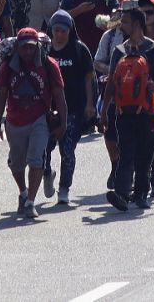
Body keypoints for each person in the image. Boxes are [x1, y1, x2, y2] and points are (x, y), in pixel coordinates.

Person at [0, 27, 66, 219]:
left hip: (39, 118)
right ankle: (23, 193)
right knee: (16, 164)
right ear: (18, 48)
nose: (28, 52)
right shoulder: (8, 67)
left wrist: (63, 124)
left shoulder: (49, 65)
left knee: (36, 159)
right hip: (15, 120)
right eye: (24, 48)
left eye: (31, 48)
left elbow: (59, 94)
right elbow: (0, 96)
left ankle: (31, 202)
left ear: (37, 47)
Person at [104, 2, 154, 212]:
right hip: (123, 112)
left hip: (149, 112)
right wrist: (103, 111)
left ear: (136, 23)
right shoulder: (119, 51)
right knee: (126, 153)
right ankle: (123, 194)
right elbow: (110, 83)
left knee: (145, 154)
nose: (121, 24)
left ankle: (141, 194)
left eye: (125, 21)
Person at [43, 10, 95, 207]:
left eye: (63, 31)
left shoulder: (80, 50)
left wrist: (90, 105)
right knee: (43, 149)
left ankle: (64, 189)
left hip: (74, 107)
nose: (59, 35)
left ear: (70, 30)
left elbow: (89, 78)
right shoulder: (45, 50)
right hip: (48, 109)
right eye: (55, 30)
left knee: (67, 149)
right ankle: (47, 173)